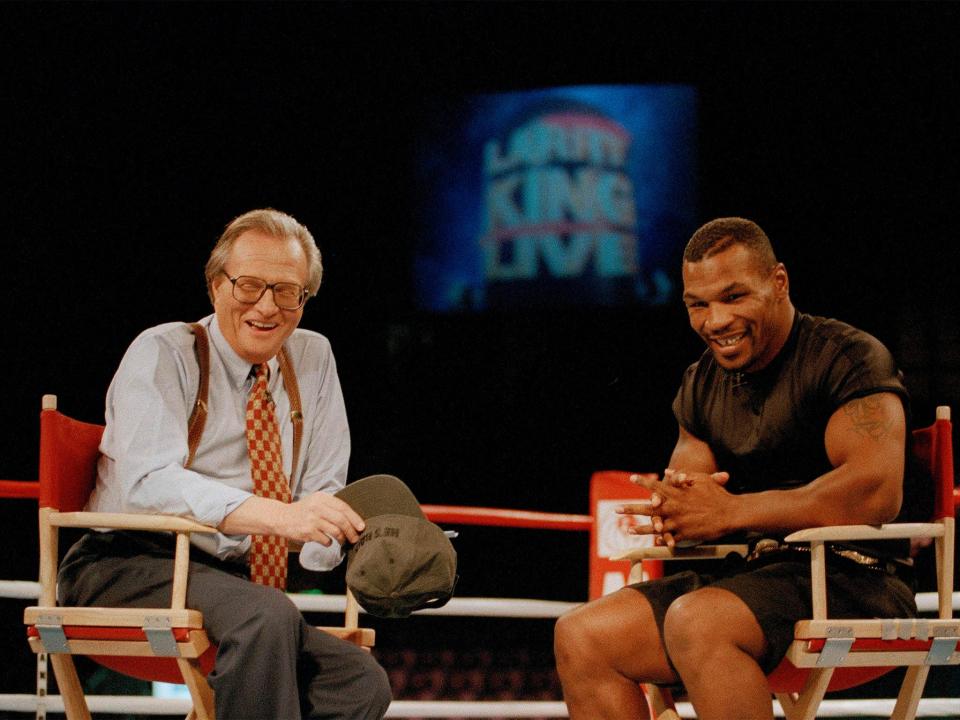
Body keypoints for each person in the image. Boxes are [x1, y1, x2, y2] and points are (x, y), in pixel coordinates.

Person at [554, 217, 918, 720]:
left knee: (699, 621)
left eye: (733, 297)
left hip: (858, 578)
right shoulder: (701, 383)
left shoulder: (847, 358)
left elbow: (876, 493)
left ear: (779, 283)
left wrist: (731, 513)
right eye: (697, 305)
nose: (715, 321)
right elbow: (691, 492)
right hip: (750, 578)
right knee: (582, 634)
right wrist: (675, 509)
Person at [58, 208, 392, 719]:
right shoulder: (163, 351)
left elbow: (323, 489)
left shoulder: (314, 357)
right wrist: (281, 516)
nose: (267, 306)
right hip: (124, 563)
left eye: (287, 291)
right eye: (249, 285)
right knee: (267, 617)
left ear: (304, 299)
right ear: (216, 286)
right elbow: (149, 483)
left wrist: (345, 541)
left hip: (230, 582)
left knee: (358, 682)